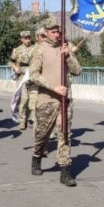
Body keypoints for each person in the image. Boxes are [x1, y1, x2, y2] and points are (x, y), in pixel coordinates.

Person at [29, 16, 82, 186]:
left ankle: (65, 170)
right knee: (42, 134)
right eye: (53, 32)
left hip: (64, 101)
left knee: (64, 134)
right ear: (45, 33)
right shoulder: (39, 50)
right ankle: (36, 156)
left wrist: (68, 56)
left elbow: (77, 71)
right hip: (46, 99)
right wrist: (53, 87)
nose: (57, 34)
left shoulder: (65, 47)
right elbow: (34, 75)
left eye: (58, 31)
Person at [9, 30, 34, 130]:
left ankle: (28, 118)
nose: (27, 40)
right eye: (25, 38)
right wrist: (15, 67)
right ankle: (22, 120)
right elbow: (11, 62)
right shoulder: (17, 50)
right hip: (22, 77)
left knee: (32, 100)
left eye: (29, 38)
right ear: (22, 39)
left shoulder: (35, 49)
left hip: (32, 76)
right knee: (24, 99)